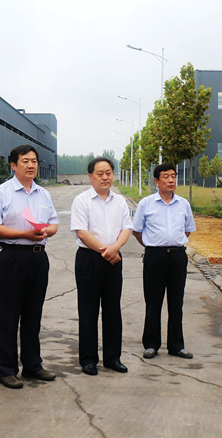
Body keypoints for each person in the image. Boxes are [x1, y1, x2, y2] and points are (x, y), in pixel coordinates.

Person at [0, 144, 58, 389]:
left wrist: (46, 231)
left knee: (33, 315)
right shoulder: (0, 193)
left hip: (37, 258)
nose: (31, 165)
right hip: (10, 257)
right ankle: (6, 369)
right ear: (13, 165)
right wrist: (24, 233)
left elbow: (54, 223)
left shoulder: (43, 194)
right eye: (25, 161)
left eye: (34, 161)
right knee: (7, 315)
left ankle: (33, 365)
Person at [70, 157, 132, 376]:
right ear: (90, 176)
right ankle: (88, 359)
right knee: (88, 310)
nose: (105, 177)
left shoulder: (120, 201)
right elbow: (82, 232)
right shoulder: (82, 200)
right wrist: (107, 251)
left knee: (113, 309)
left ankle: (113, 357)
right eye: (100, 173)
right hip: (89, 259)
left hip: (114, 259)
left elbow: (126, 228)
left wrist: (115, 248)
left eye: (109, 173)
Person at [132, 163, 196, 360]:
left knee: (176, 302)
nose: (171, 180)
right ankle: (151, 344)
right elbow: (137, 231)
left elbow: (187, 230)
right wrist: (153, 245)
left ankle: (176, 345)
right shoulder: (146, 204)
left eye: (173, 176)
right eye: (166, 177)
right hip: (154, 257)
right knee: (153, 302)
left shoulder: (183, 204)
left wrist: (173, 243)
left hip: (177, 257)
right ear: (157, 181)